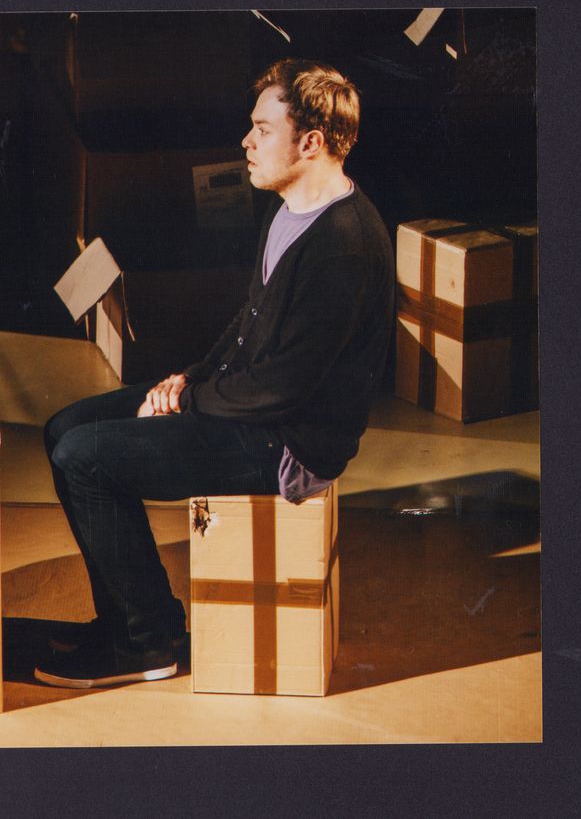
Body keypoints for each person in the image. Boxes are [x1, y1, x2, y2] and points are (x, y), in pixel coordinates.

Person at [34, 60, 394, 689]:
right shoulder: (289, 209)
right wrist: (187, 378)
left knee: (84, 457)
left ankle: (144, 643)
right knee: (65, 426)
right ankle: (131, 619)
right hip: (249, 408)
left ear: (310, 142)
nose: (247, 141)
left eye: (263, 130)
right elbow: (248, 321)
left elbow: (284, 387)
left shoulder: (343, 245)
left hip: (288, 444)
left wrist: (190, 401)